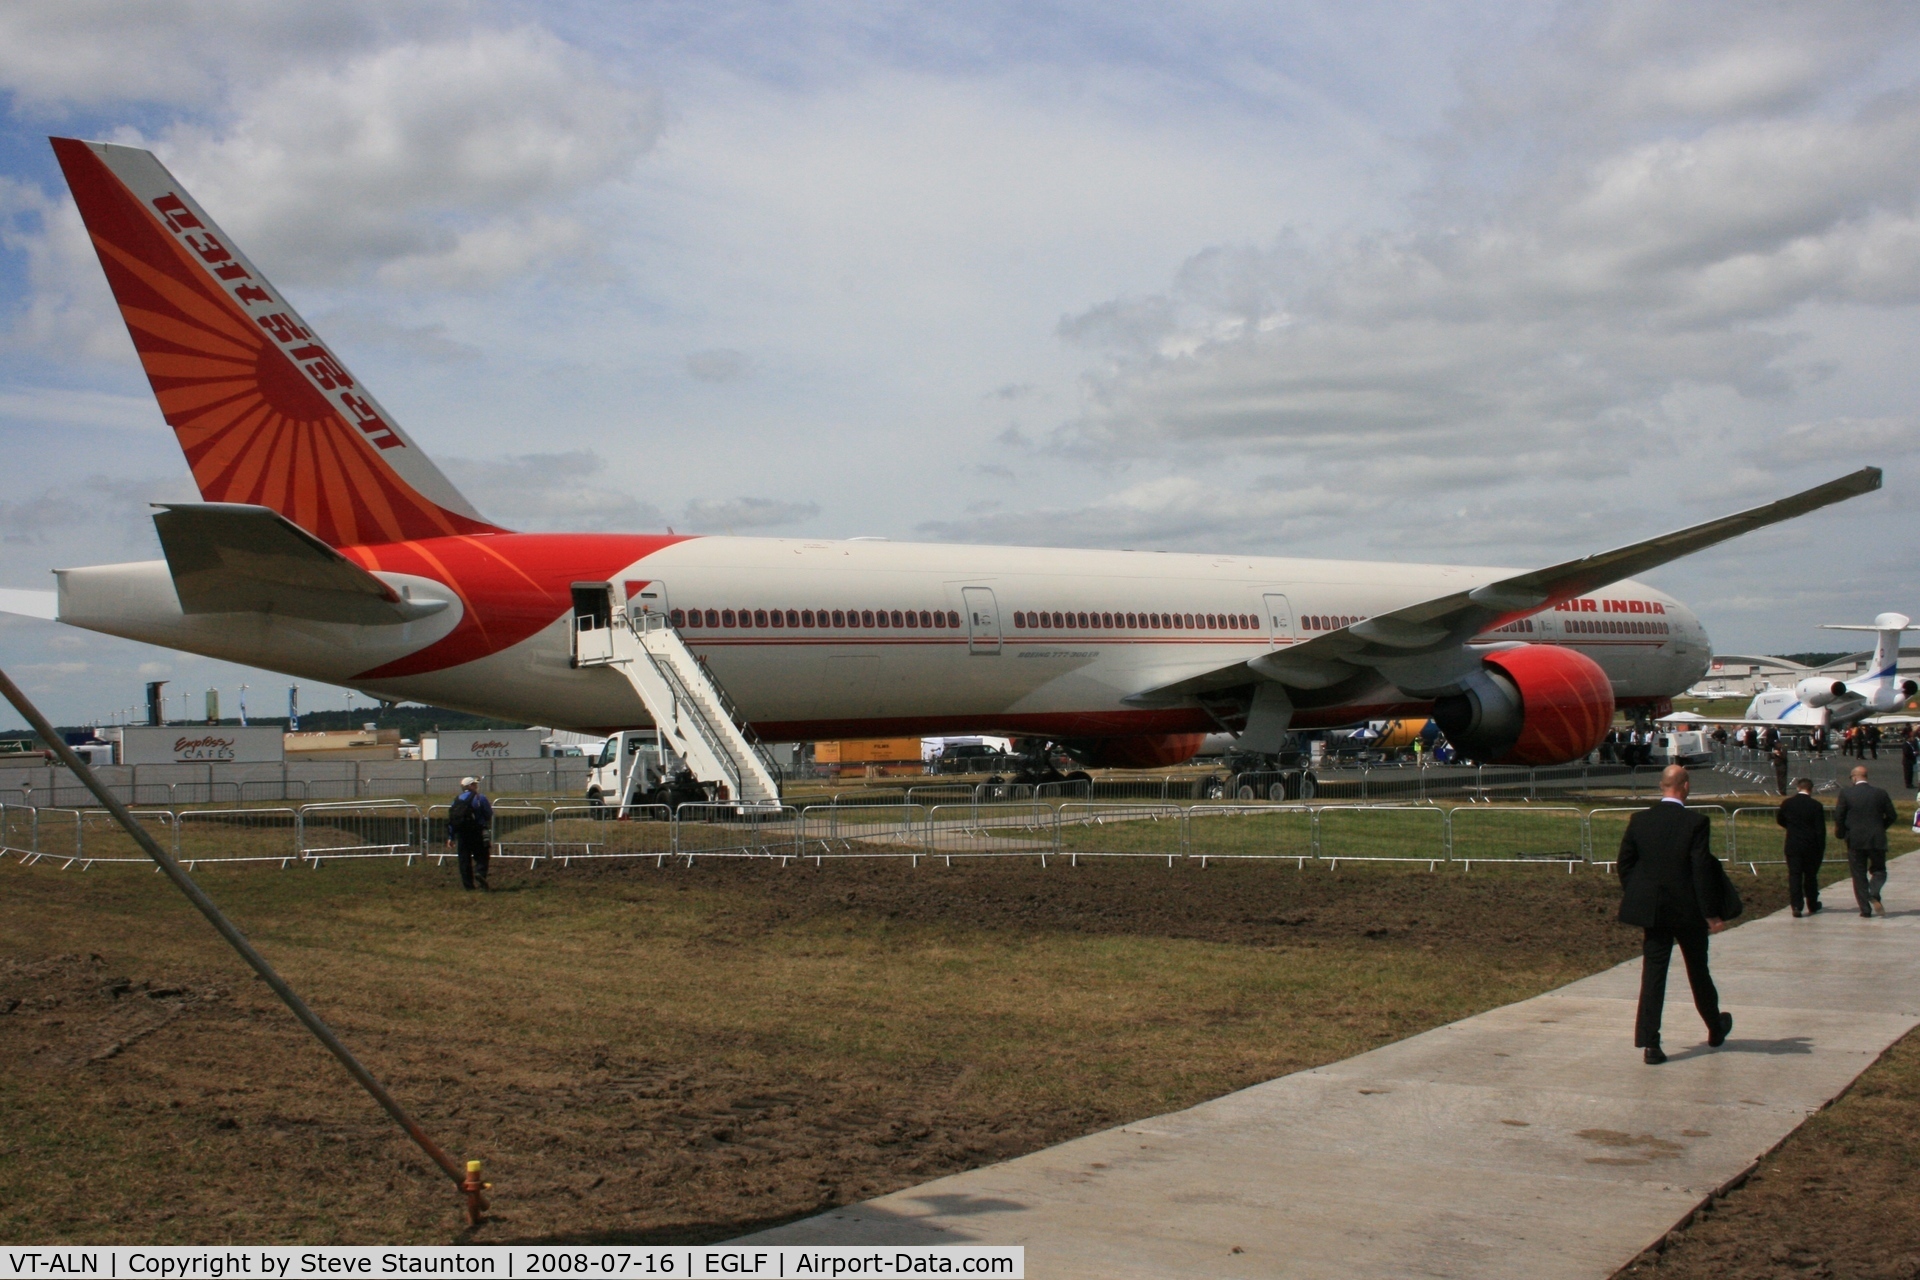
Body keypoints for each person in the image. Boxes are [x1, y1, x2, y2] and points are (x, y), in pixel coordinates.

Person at [1617, 765, 1734, 1065]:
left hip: (1654, 911)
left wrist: (1639, 894)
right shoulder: (1695, 822)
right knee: (1698, 971)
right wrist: (1710, 913)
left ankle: (1650, 1043)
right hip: (1688, 910)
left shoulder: (1640, 820)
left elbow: (1625, 863)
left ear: (1662, 786)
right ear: (1684, 785)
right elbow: (1700, 869)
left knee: (1653, 975)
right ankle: (1714, 1026)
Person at [1833, 763, 1897, 916]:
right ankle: (1874, 892)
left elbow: (1839, 815)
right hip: (1876, 838)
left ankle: (1865, 910)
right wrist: (1881, 827)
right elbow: (1892, 815)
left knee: (1858, 874)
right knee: (1879, 870)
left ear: (1854, 777)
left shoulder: (1846, 793)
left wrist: (1841, 833)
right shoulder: (1880, 793)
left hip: (1855, 839)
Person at [1775, 778, 1826, 918]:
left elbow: (1780, 819)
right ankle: (1812, 903)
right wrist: (1821, 847)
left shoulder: (1787, 803)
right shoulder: (1816, 806)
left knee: (1795, 875)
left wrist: (1791, 827)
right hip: (1811, 845)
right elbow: (1820, 830)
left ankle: (1796, 905)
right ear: (1811, 789)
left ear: (1798, 788)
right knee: (1810, 876)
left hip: (1793, 844)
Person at [446, 776, 494, 891]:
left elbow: (453, 819)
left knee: (464, 859)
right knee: (482, 856)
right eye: (474, 785)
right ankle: (480, 873)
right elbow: (488, 813)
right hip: (478, 831)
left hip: (462, 833)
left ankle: (468, 886)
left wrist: (451, 837)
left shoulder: (456, 800)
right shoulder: (480, 798)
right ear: (469, 786)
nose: (476, 786)